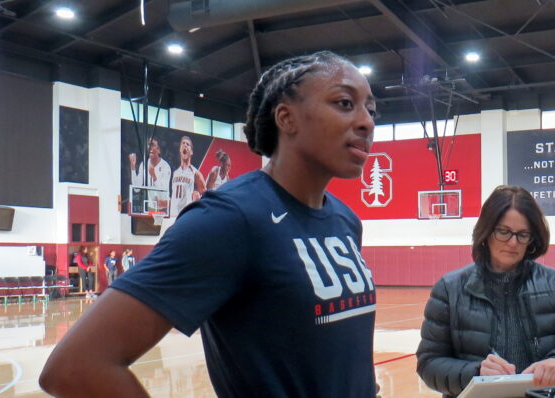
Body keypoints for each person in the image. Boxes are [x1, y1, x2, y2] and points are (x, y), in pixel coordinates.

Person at [39, 50, 377, 398]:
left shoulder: (345, 220)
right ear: (286, 118)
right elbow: (75, 367)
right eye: (344, 103)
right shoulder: (229, 219)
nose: (367, 121)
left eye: (371, 109)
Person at [417, 185, 555, 398]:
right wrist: (476, 373)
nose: (513, 242)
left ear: (532, 238)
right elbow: (429, 364)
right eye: (503, 232)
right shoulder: (449, 289)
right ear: (487, 232)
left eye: (523, 234)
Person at [169, 136, 205, 217]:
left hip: (186, 215)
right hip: (173, 215)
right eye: (183, 143)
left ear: (191, 152)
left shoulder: (196, 173)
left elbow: (205, 194)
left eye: (187, 144)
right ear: (180, 149)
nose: (185, 145)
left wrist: (198, 197)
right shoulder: (175, 173)